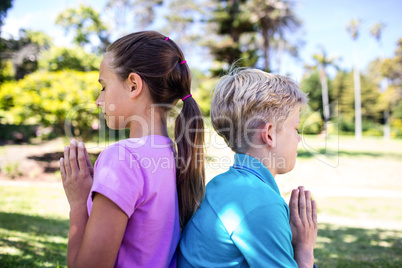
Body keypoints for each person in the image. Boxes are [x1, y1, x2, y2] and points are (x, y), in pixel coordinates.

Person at [59, 31, 205, 268]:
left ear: (133, 85)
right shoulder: (173, 156)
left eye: (104, 87)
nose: (98, 100)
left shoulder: (122, 158)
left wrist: (78, 202)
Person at [178, 68, 318, 268]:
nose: (299, 138)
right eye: (296, 128)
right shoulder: (259, 203)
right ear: (269, 134)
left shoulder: (221, 185)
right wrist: (304, 251)